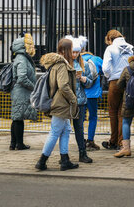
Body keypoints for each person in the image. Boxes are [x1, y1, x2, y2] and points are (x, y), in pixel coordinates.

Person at [35, 38, 79, 171]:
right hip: (61, 103)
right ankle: (42, 161)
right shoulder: (61, 65)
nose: (73, 52)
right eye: (71, 49)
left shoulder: (57, 64)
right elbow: (63, 85)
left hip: (59, 102)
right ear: (67, 50)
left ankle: (65, 160)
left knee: (66, 130)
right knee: (54, 132)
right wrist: (73, 99)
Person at [101, 30, 133, 150]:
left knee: (113, 111)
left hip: (115, 82)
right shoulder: (131, 47)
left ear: (110, 39)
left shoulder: (110, 49)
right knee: (123, 112)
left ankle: (113, 141)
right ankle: (121, 142)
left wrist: (109, 76)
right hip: (128, 82)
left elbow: (105, 68)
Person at [114, 48, 134, 158]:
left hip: (128, 100)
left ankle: (126, 149)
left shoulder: (127, 69)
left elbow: (119, 85)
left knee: (126, 122)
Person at [66, 36, 93, 164]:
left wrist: (83, 79)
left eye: (77, 52)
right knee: (64, 128)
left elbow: (89, 82)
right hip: (66, 101)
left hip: (80, 100)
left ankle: (82, 153)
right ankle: (64, 155)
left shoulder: (84, 64)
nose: (75, 54)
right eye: (73, 52)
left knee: (79, 128)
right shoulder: (64, 64)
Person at [9, 33, 38, 151]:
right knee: (18, 119)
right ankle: (19, 144)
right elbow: (22, 78)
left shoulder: (21, 58)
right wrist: (33, 87)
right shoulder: (22, 59)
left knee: (17, 118)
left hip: (20, 92)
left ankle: (13, 143)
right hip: (21, 92)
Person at [81, 48, 103, 151]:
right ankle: (90, 141)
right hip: (92, 94)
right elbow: (105, 71)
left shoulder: (77, 60)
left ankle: (80, 141)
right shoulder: (96, 59)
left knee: (80, 119)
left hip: (80, 94)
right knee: (93, 117)